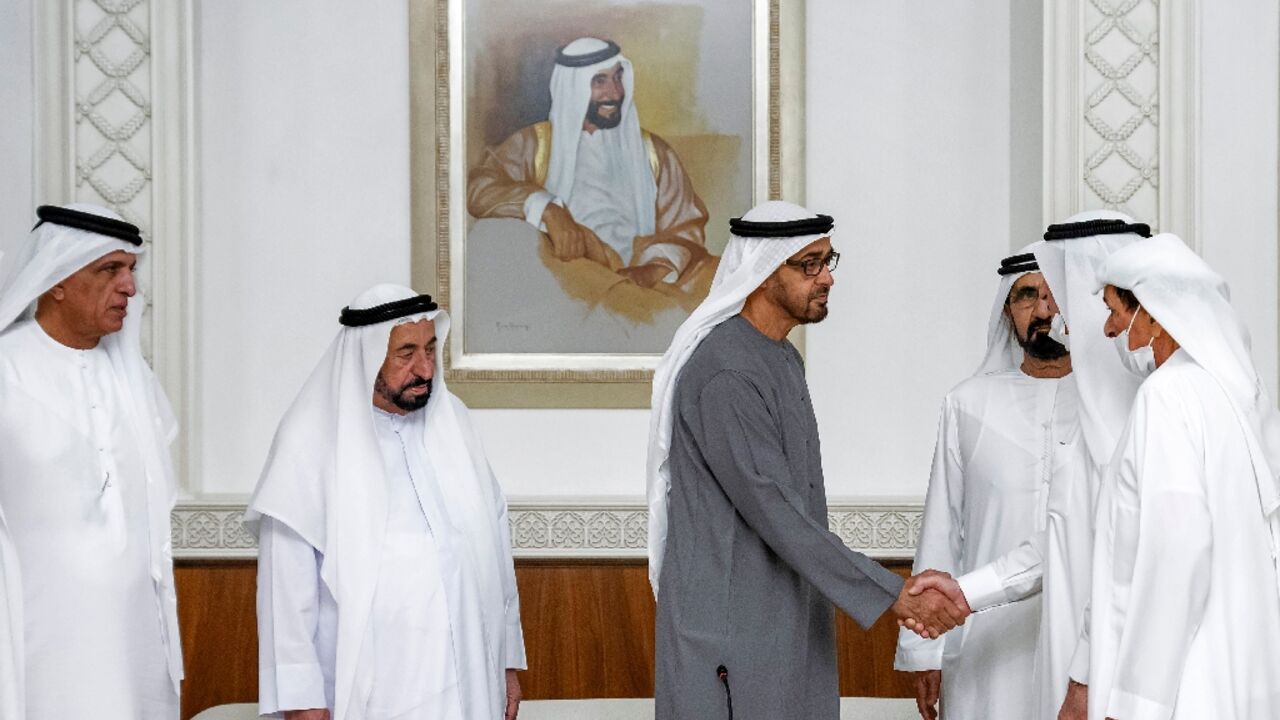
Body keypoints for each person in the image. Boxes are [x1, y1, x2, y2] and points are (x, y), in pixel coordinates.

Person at [647, 201, 970, 720]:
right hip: (730, 633)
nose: (826, 278)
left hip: (787, 618)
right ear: (761, 272)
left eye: (828, 260)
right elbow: (775, 509)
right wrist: (893, 593)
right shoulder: (726, 371)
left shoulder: (779, 357)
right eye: (809, 265)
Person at [246, 285, 526, 720]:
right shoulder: (311, 442)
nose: (424, 368)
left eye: (431, 350)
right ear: (366, 355)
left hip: (471, 681)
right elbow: (286, 599)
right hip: (376, 694)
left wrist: (506, 663)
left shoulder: (456, 424)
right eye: (406, 354)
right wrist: (302, 705)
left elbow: (495, 553)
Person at [1081, 233, 1280, 719]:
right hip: (1235, 674)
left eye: (1115, 311)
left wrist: (1135, 705)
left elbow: (1179, 550)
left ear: (1152, 312)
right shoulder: (1231, 395)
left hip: (1183, 689)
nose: (1108, 330)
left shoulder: (1167, 396)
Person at [0, 204, 184, 718]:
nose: (129, 287)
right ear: (55, 279)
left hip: (132, 641)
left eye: (131, 270)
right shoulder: (6, 372)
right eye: (110, 270)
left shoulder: (133, 379)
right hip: (34, 642)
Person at [895, 250, 1090, 720]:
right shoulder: (968, 403)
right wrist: (925, 650)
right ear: (1008, 309)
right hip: (987, 642)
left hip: (1082, 643)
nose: (1044, 311)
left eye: (1055, 296)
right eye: (1027, 295)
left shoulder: (1108, 406)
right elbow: (943, 529)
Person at [1027, 213, 1152, 720]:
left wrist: (1082, 680)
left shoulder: (1160, 413)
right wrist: (968, 593)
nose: (1054, 314)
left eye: (1064, 294)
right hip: (1072, 662)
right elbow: (1057, 542)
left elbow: (1132, 568)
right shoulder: (1084, 415)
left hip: (1123, 677)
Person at [467, 37, 711, 289]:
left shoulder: (654, 152)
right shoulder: (534, 144)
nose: (615, 92)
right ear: (573, 88)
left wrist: (653, 269)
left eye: (618, 77)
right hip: (563, 277)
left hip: (642, 282)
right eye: (600, 81)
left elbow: (686, 226)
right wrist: (549, 209)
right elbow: (479, 188)